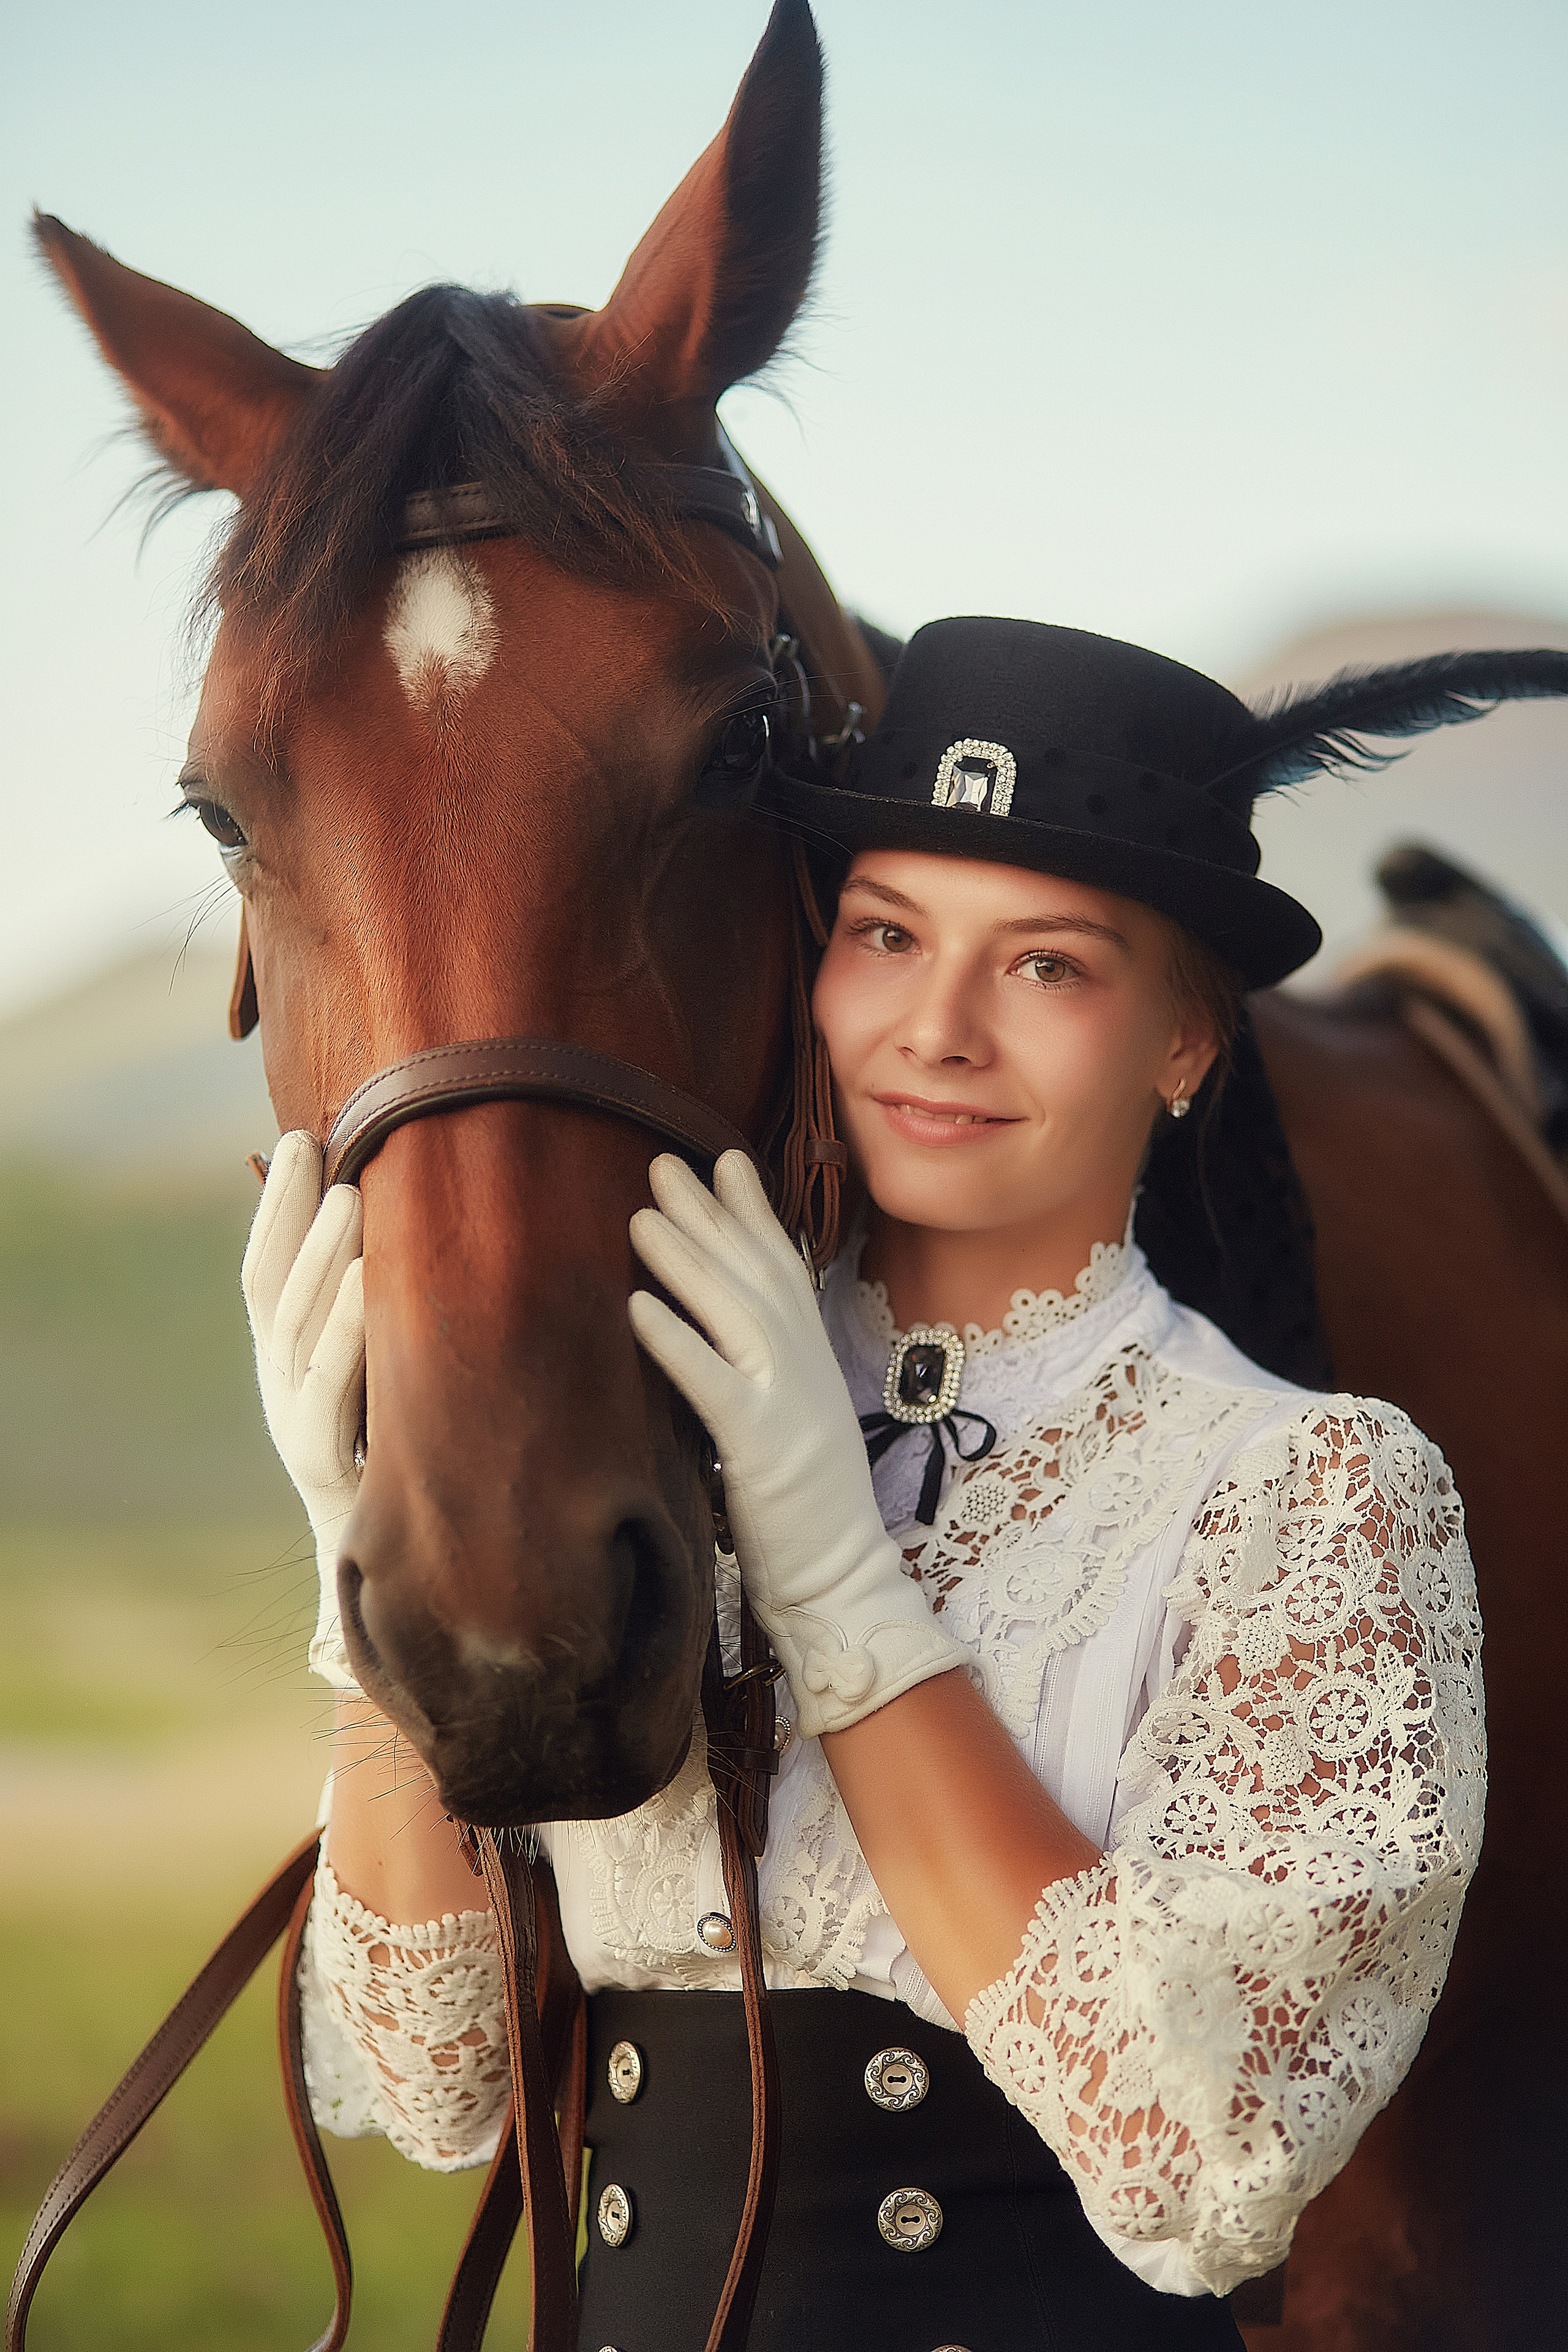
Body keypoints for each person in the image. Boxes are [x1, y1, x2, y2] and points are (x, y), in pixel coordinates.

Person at [244, 617, 1510, 2348]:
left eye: (1048, 965)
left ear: (1187, 1043)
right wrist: (360, 1548)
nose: (940, 1030)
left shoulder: (1311, 1496)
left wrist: (844, 1590)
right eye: (887, 936)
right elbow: (434, 2077)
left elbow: (1207, 2161)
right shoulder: (642, 1427)